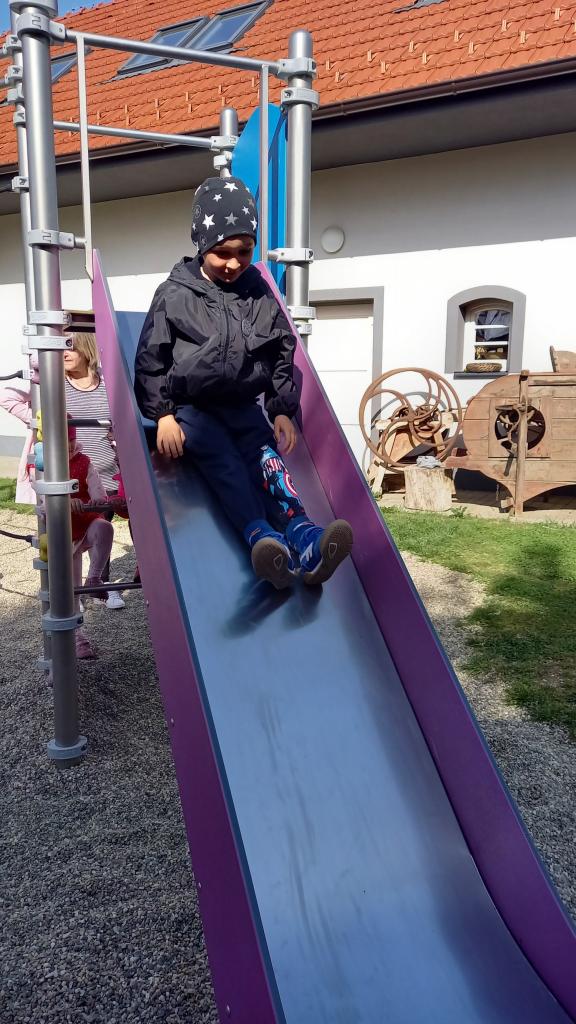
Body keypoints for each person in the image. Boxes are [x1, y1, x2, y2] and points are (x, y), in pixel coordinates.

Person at [134, 176, 353, 589]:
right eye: (222, 252)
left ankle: (304, 534)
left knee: (268, 461)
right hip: (194, 410)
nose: (234, 263)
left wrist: (282, 408)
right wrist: (162, 415)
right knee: (227, 466)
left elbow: (280, 349)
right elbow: (150, 357)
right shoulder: (174, 294)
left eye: (244, 251)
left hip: (243, 405)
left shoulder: (258, 291)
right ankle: (263, 538)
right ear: (202, 244)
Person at [68, 420, 114, 659]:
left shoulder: (83, 461)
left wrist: (97, 499)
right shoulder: (44, 466)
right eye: (63, 442)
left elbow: (98, 489)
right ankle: (77, 637)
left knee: (105, 528)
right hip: (62, 534)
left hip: (85, 523)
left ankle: (94, 577)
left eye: (71, 440)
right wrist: (65, 501)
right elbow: (43, 500)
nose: (68, 446)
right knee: (70, 589)